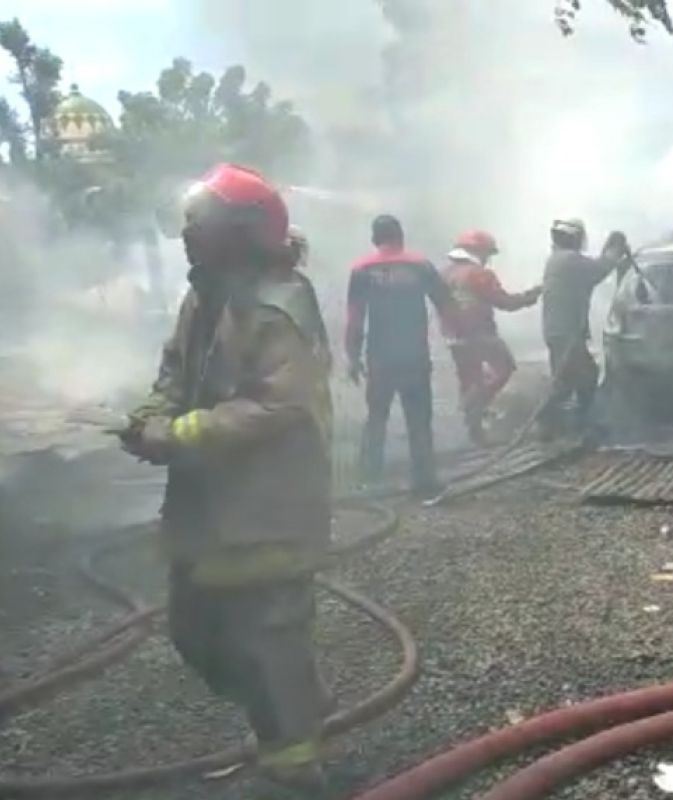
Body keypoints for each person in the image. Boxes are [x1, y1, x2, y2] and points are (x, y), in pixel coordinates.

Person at [118, 164, 335, 795]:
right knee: (196, 633)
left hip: (269, 504)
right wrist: (152, 415)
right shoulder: (202, 295)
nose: (185, 235)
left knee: (269, 638)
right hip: (207, 504)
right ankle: (300, 700)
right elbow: (174, 372)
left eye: (199, 224)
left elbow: (279, 406)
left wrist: (178, 435)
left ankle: (294, 768)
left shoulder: (279, 305)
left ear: (242, 234)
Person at [346, 214, 457, 497]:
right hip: (414, 355)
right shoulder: (419, 265)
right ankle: (424, 481)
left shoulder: (361, 270)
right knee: (419, 418)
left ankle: (369, 480)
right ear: (401, 236)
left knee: (376, 417)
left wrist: (352, 356)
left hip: (379, 357)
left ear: (374, 238)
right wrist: (453, 336)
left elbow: (355, 319)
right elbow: (446, 303)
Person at [439, 229, 542, 446]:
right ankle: (475, 406)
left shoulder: (445, 273)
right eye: (487, 254)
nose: (487, 259)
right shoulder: (480, 275)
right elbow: (504, 302)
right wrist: (532, 296)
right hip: (480, 334)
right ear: (478, 251)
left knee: (469, 378)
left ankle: (474, 430)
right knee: (504, 368)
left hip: (454, 336)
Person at [538, 218, 632, 438]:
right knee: (584, 376)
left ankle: (561, 424)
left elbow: (593, 269)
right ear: (576, 238)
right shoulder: (569, 260)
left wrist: (610, 251)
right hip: (566, 332)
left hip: (559, 330)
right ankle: (562, 422)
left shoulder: (559, 259)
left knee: (568, 378)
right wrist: (614, 247)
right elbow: (599, 269)